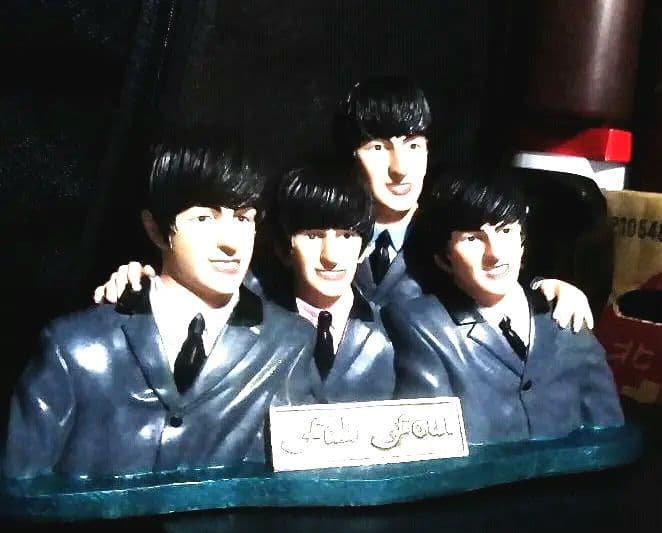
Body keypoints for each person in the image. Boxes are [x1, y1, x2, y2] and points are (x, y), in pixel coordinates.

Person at [95, 76, 593, 331]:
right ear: (349, 154)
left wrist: (544, 290)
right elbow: (231, 280)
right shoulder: (298, 226)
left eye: (414, 145)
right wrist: (149, 280)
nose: (400, 168)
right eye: (378, 147)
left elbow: (494, 277)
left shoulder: (452, 233)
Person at [3, 143, 314, 479]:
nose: (231, 241)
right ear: (155, 229)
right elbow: (21, 488)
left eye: (243, 218)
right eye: (204, 217)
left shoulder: (289, 343)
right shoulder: (74, 347)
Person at [381, 170, 624, 445]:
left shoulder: (564, 312)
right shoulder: (422, 326)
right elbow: (430, 444)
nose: (495, 254)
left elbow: (608, 431)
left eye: (505, 231)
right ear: (444, 258)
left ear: (522, 242)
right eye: (473, 238)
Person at [271, 165, 394, 403]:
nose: (331, 256)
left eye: (346, 235)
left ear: (363, 248)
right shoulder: (258, 328)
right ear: (284, 247)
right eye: (313, 235)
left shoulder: (393, 331)